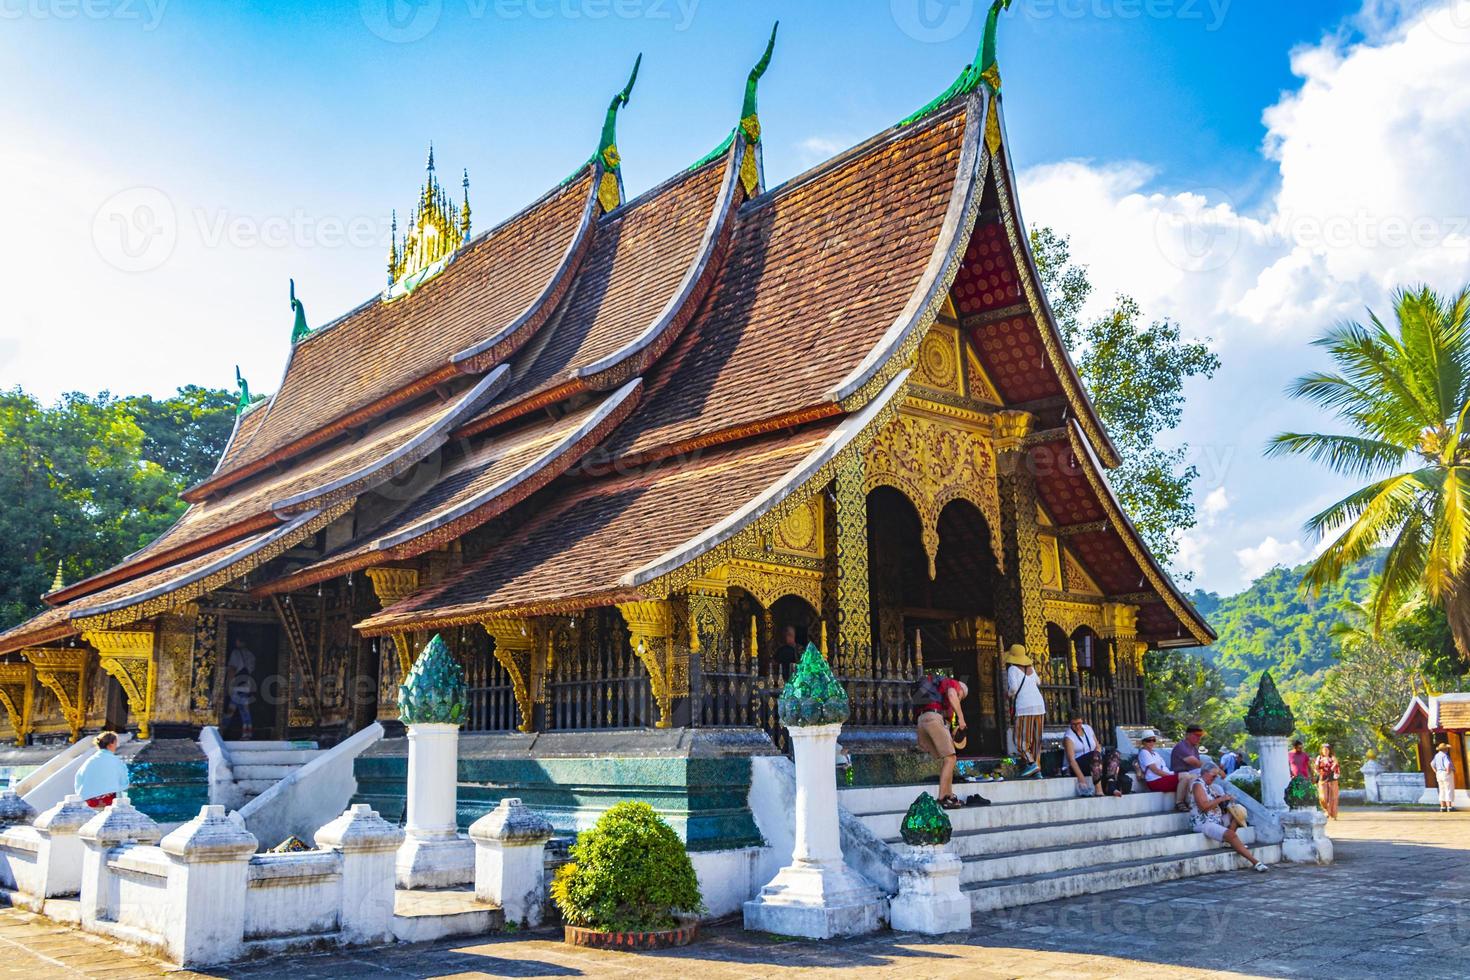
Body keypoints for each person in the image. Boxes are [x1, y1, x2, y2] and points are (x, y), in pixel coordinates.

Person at [1190, 763, 1269, 872]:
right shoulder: (1198, 785)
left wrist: (1227, 801)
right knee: (1231, 834)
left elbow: (1218, 805)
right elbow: (1203, 807)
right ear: (1205, 774)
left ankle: (1228, 841)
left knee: (1238, 813)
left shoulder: (1210, 786)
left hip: (1215, 819)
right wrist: (1220, 799)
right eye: (1213, 776)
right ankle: (1256, 862)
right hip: (1204, 823)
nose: (1215, 778)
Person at [915, 674, 969, 809]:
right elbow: (952, 695)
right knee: (951, 758)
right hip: (933, 719)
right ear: (961, 690)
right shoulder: (954, 684)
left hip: (923, 721)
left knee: (949, 758)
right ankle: (943, 797)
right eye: (961, 697)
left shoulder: (937, 692)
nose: (959, 699)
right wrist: (961, 719)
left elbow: (943, 718)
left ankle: (949, 795)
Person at [1004, 645, 1045, 778]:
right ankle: (1037, 771)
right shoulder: (1031, 668)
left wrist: (1008, 694)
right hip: (1039, 706)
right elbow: (1038, 682)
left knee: (1020, 740)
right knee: (1036, 740)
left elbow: (1014, 688)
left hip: (1024, 707)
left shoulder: (1012, 669)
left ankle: (1032, 763)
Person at [74, 731, 129, 809]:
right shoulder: (115, 761)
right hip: (108, 802)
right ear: (111, 744)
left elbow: (78, 779)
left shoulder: (90, 760)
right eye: (116, 743)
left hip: (88, 802)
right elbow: (123, 781)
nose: (117, 745)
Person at [224, 634, 257, 740]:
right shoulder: (251, 655)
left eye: (237, 640)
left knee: (240, 711)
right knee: (236, 709)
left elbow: (232, 670)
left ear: (241, 642)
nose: (236, 642)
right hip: (246, 686)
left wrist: (228, 685)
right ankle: (244, 733)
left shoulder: (235, 653)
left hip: (236, 686)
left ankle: (245, 734)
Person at [1136, 731, 1182, 804]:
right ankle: (1180, 802)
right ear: (1143, 742)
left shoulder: (1155, 753)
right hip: (1155, 781)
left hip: (1163, 778)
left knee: (1190, 777)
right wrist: (1171, 776)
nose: (1152, 742)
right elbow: (1156, 771)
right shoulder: (1144, 753)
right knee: (1185, 777)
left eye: (1153, 740)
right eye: (1149, 740)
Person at [1063, 714, 1102, 797]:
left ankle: (1111, 784)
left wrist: (1098, 756)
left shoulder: (1088, 728)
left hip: (1093, 759)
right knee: (1094, 757)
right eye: (1074, 724)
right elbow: (1071, 760)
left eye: (1079, 723)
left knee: (1114, 755)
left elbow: (1098, 746)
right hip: (1077, 764)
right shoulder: (1068, 736)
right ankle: (1099, 790)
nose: (1078, 726)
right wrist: (1081, 778)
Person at [1170, 725, 1206, 809]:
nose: (1199, 738)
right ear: (1188, 735)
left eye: (1200, 736)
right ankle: (1179, 802)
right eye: (1196, 735)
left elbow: (1198, 767)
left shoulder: (1194, 748)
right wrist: (1214, 769)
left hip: (1190, 773)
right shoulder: (1181, 746)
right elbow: (1196, 763)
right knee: (1189, 776)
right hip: (1179, 774)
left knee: (1206, 778)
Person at [1314, 743, 1341, 819]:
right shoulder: (1319, 758)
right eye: (1324, 750)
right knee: (1323, 797)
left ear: (1329, 751)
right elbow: (1316, 768)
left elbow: (1336, 766)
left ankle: (1333, 814)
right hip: (1322, 778)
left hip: (1332, 778)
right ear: (1321, 751)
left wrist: (1333, 766)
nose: (1325, 751)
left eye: (1327, 750)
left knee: (1333, 797)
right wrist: (1318, 772)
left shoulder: (1332, 758)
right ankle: (1326, 810)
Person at [1432, 742, 1456, 812]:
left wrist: (1436, 771)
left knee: (1441, 790)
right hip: (1445, 773)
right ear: (1445, 749)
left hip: (1439, 773)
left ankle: (1442, 807)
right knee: (1448, 789)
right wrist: (1448, 771)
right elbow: (1447, 764)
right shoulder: (1445, 755)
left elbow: (1432, 764)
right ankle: (1449, 807)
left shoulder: (1436, 756)